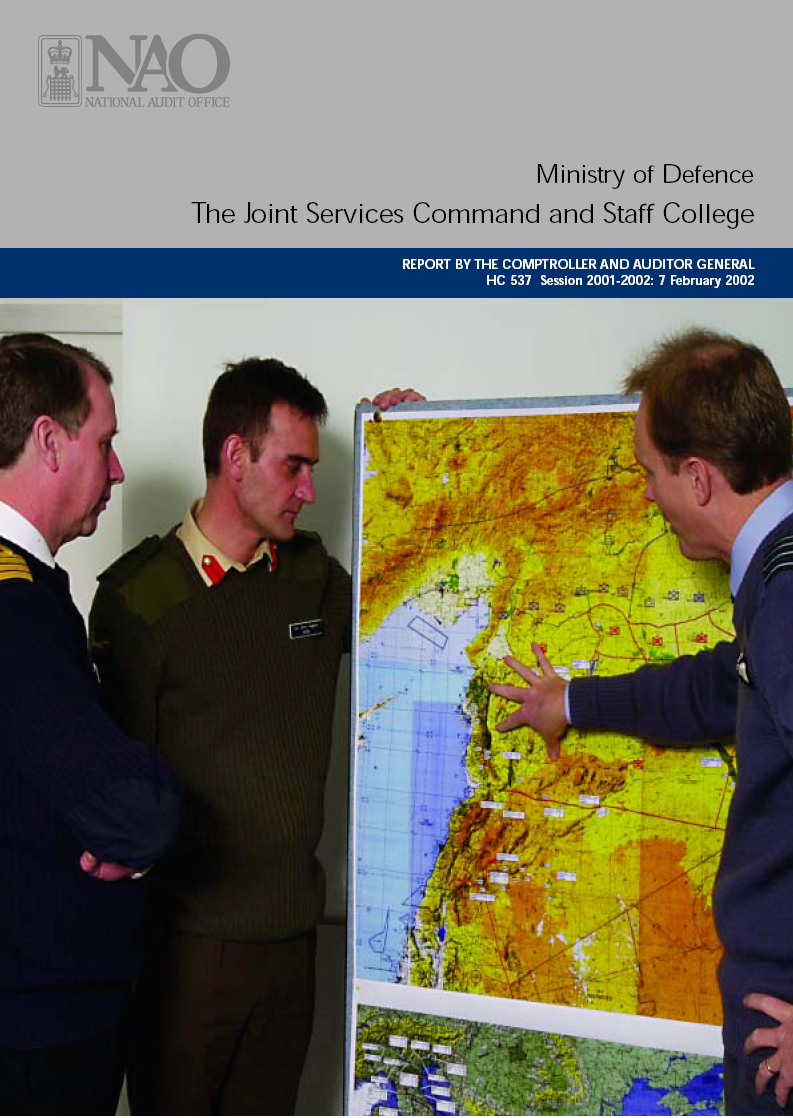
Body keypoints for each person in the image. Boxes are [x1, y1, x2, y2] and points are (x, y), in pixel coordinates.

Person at [89, 356, 422, 1115]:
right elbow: (118, 797)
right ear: (235, 456)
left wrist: (408, 454)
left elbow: (407, 608)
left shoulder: (313, 579)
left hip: (293, 949)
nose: (309, 490)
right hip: (184, 956)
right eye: (293, 466)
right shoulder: (139, 599)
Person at [490, 329, 793, 1116]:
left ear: (697, 478)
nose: (647, 495)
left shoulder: (788, 598)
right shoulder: (778, 577)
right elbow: (716, 686)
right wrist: (571, 702)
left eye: (649, 472)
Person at [0, 334, 182, 1116]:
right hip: (35, 1028)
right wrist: (141, 824)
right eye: (104, 443)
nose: (117, 470)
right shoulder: (13, 604)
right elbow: (136, 812)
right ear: (49, 441)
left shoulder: (31, 585)